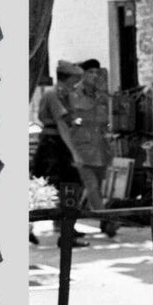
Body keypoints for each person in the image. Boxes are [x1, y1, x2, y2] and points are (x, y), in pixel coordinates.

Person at [31, 60, 88, 246]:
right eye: (75, 79)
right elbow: (62, 126)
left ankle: (66, 228)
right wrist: (76, 153)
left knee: (59, 187)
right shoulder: (53, 94)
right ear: (68, 78)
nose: (77, 83)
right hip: (53, 146)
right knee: (64, 186)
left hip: (54, 145)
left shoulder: (63, 94)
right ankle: (66, 235)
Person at [68, 58, 118, 238]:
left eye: (97, 72)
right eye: (90, 72)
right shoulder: (73, 94)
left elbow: (105, 119)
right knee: (91, 185)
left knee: (91, 186)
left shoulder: (100, 94)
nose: (94, 76)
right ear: (83, 74)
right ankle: (105, 220)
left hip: (100, 146)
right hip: (81, 146)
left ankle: (67, 221)